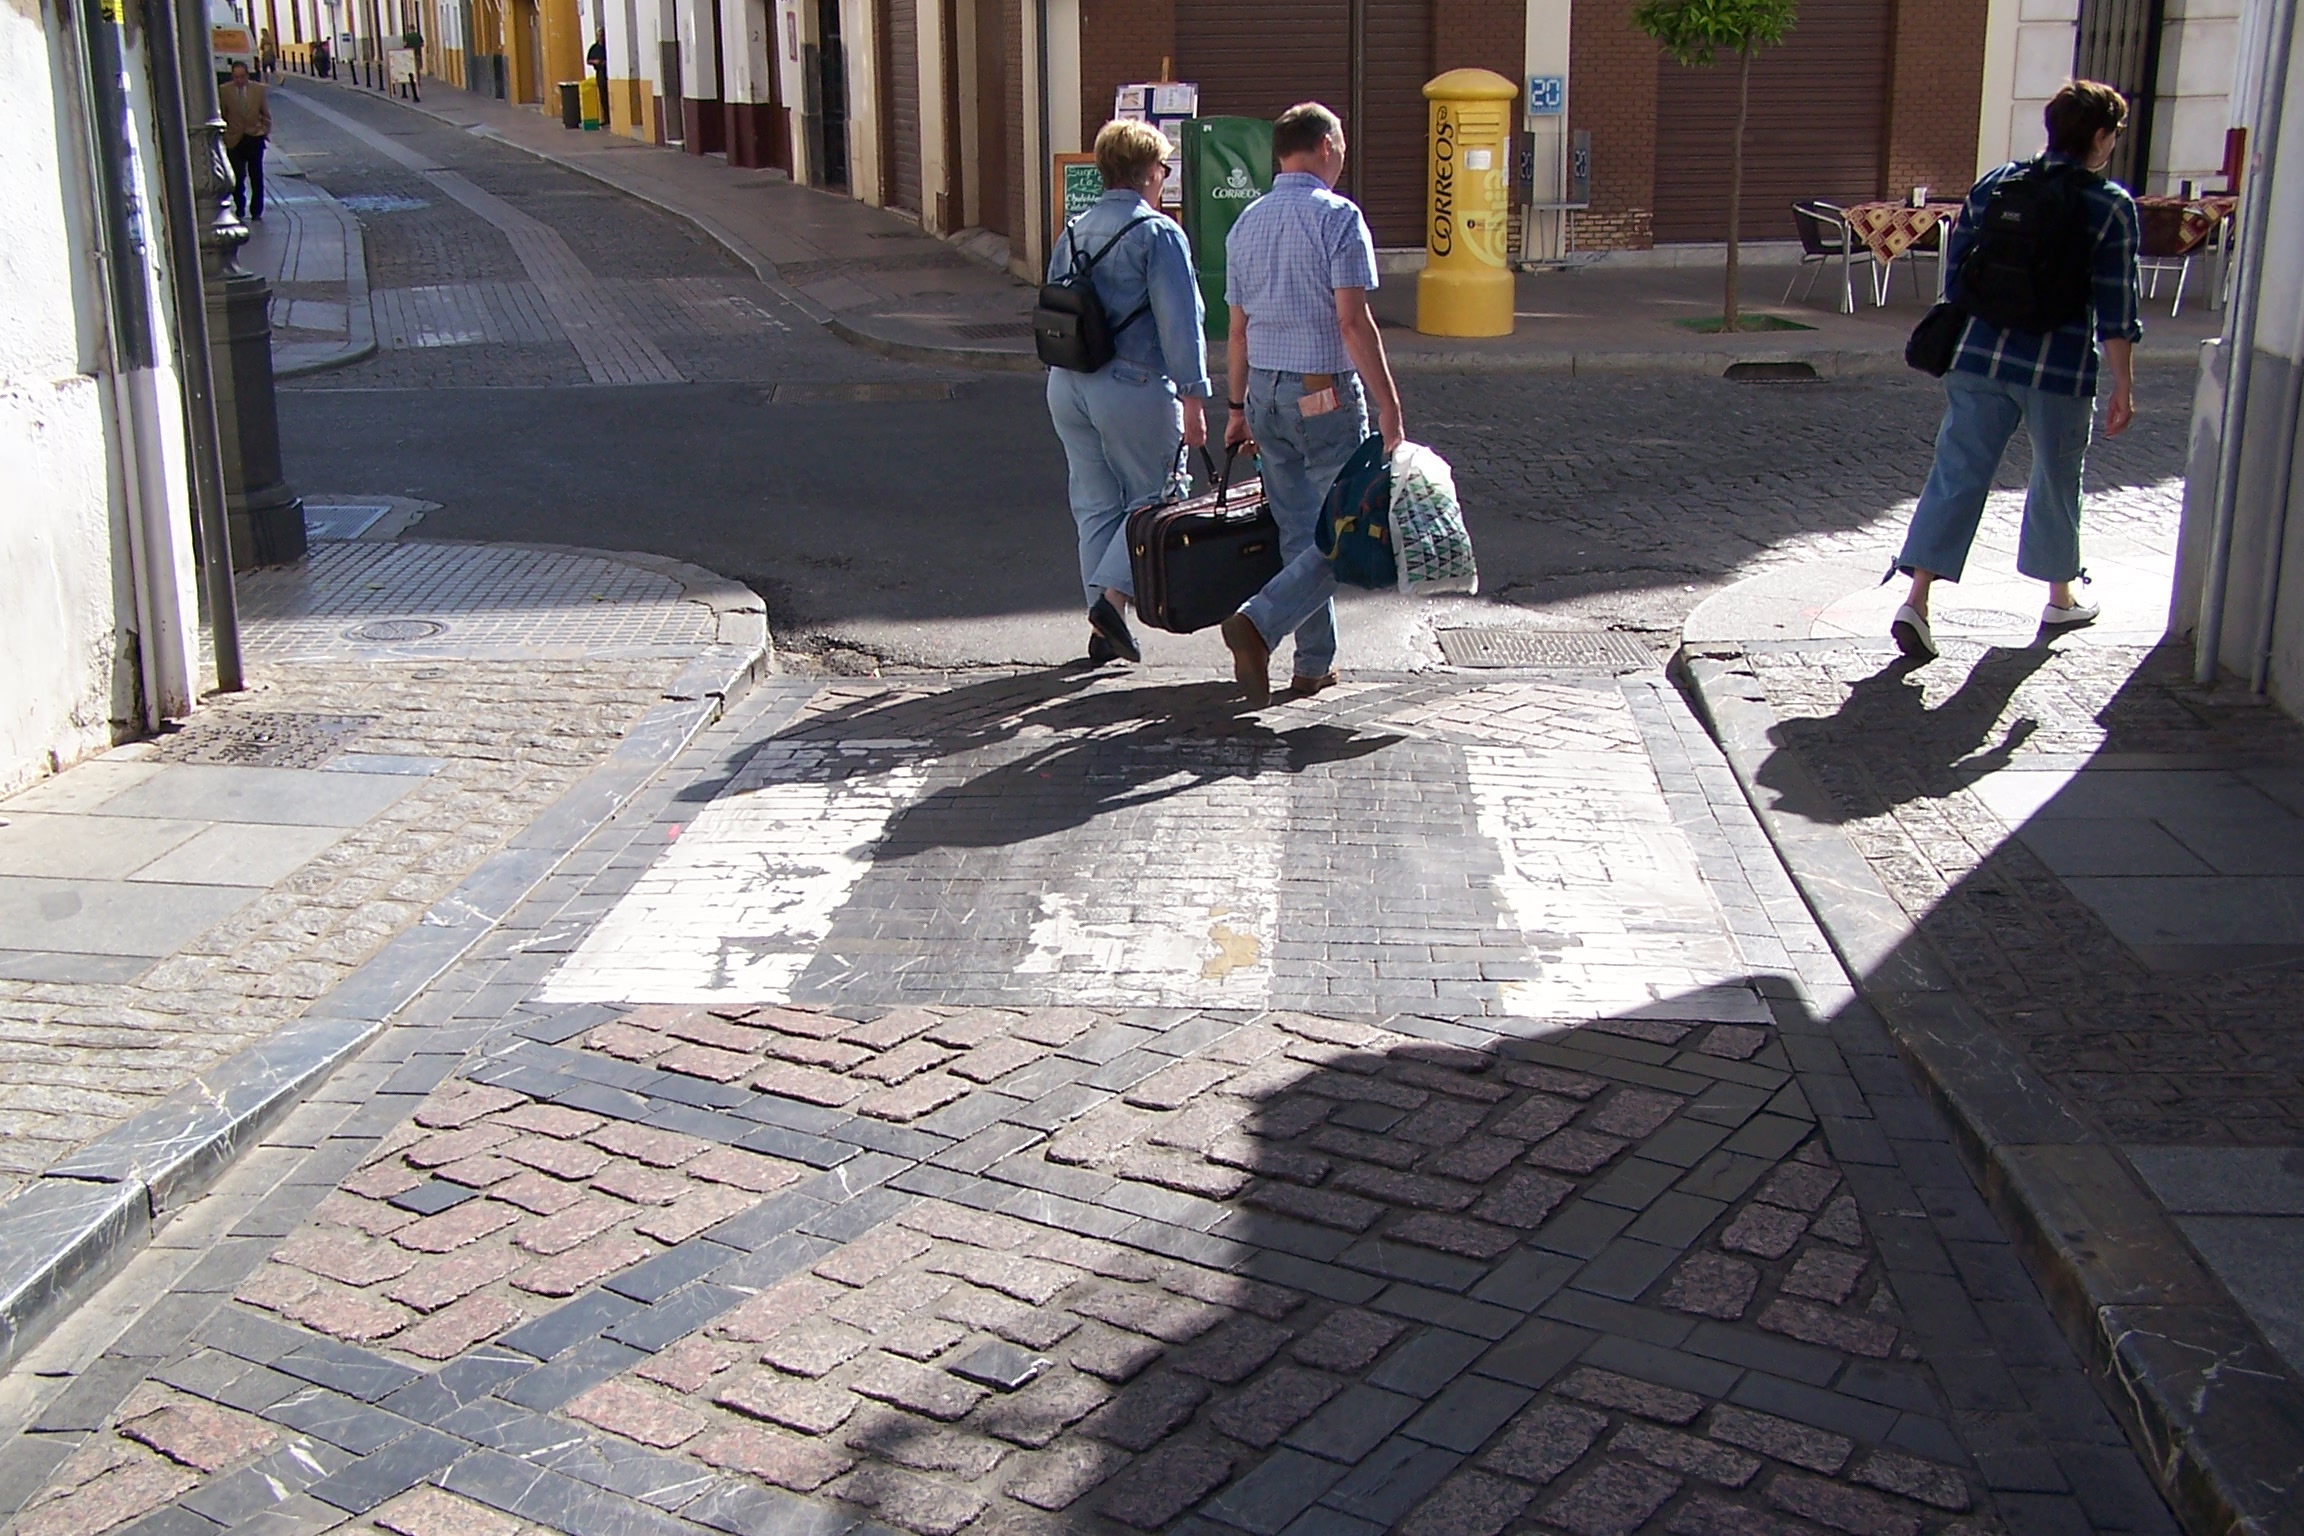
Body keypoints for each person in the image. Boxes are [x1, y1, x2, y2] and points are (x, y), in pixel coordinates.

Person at [1889, 79, 2142, 662]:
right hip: (2059, 366)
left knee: (1957, 471)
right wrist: (2123, 383)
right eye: (2115, 134)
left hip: (1978, 356)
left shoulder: (1998, 183)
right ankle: (2060, 594)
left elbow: (1959, 271)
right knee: (2056, 476)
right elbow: (2116, 305)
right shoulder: (2110, 206)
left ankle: (1917, 598)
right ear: (2100, 138)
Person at [1216, 101, 1405, 706]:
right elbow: (1353, 321)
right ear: (1324, 145)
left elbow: (1237, 329)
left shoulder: (1246, 222)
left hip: (1265, 392)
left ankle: (1313, 664)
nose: (1344, 153)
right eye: (1342, 142)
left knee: (1299, 530)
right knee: (1345, 528)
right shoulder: (1338, 218)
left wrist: (1236, 406)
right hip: (1320, 389)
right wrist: (1389, 408)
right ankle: (1260, 622)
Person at [1043, 119, 1211, 664]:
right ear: (1149, 173)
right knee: (1159, 494)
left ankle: (1102, 627)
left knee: (1093, 504)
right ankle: (1113, 602)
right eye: (1164, 168)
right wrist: (1193, 397)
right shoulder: (1158, 233)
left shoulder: (1072, 230)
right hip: (1132, 383)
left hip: (1067, 383)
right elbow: (1180, 323)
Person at [220, 60, 271, 221]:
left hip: (254, 137)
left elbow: (266, 114)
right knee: (237, 176)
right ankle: (240, 207)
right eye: (236, 77)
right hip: (235, 139)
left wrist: (263, 130)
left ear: (247, 76)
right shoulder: (224, 90)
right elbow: (223, 114)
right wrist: (226, 135)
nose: (239, 80)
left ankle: (257, 210)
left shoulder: (258, 90)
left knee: (256, 176)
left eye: (242, 77)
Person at [588, 29, 610, 128]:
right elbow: (588, 60)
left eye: (602, 35)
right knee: (603, 96)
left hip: (608, 72)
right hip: (600, 73)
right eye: (599, 36)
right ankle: (606, 117)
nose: (600, 38)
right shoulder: (594, 48)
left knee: (609, 96)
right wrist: (595, 61)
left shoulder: (607, 46)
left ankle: (610, 117)